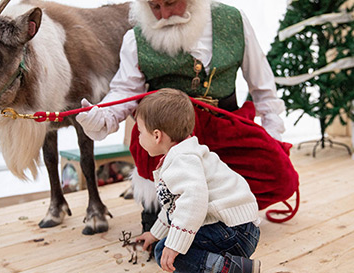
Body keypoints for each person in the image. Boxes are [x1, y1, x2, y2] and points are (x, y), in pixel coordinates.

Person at [76, 0, 294, 231]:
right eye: (155, 6)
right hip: (168, 141)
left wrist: (273, 134)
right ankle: (167, 214)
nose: (164, 14)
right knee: (154, 143)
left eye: (171, 3)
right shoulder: (135, 38)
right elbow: (125, 90)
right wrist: (103, 116)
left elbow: (262, 87)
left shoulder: (234, 20)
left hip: (226, 128)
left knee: (282, 178)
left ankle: (212, 212)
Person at [134, 88, 261, 273]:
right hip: (240, 229)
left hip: (234, 232)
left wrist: (173, 245)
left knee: (164, 253)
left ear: (157, 135)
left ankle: (230, 270)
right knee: (169, 243)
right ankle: (220, 263)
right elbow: (173, 208)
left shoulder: (182, 161)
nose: (139, 138)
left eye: (140, 132)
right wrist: (155, 233)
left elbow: (193, 201)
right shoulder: (185, 153)